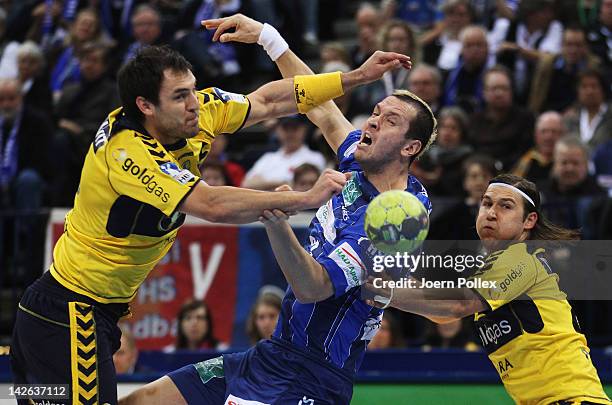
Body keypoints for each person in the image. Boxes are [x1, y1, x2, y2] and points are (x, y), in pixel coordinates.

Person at [9, 42, 407, 404]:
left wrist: (355, 77)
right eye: (180, 96)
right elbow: (212, 204)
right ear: (145, 105)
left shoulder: (192, 116)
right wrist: (302, 199)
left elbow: (269, 100)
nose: (194, 104)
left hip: (79, 315)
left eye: (192, 90)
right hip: (69, 316)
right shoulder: (127, 152)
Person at [120, 14, 434, 405]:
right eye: (375, 113)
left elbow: (312, 287)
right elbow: (317, 105)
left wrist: (277, 219)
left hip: (312, 376)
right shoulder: (361, 162)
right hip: (272, 353)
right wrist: (268, 38)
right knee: (141, 401)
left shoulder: (397, 219)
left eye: (389, 121)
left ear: (410, 148)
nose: (372, 121)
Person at [365, 173, 611, 405]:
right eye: (486, 204)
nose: (491, 213)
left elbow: (455, 306)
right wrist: (386, 279)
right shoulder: (491, 269)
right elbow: (440, 312)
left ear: (529, 220)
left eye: (505, 206)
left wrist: (377, 290)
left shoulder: (521, 259)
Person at [242, 115, 326, 191]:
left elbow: (307, 187)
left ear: (304, 129)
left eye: (294, 128)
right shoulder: (268, 158)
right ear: (278, 130)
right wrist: (282, 182)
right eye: (286, 128)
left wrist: (264, 183)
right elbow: (246, 184)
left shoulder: (315, 157)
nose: (290, 134)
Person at [512, 111, 565, 184]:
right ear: (536, 135)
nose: (548, 137)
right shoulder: (526, 161)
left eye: (554, 132)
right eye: (544, 131)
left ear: (562, 134)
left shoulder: (567, 162)